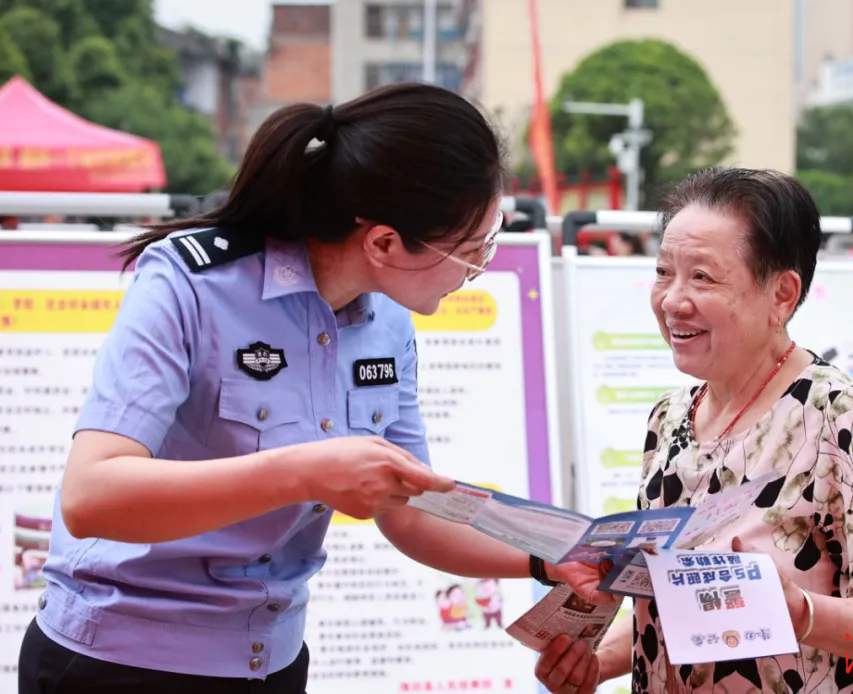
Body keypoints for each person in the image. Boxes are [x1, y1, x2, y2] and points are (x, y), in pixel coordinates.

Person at [18, 83, 609, 694]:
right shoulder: (189, 284)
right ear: (383, 243)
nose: (481, 268)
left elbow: (410, 513)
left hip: (269, 662)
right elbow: (92, 495)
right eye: (469, 249)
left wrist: (544, 557)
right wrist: (306, 472)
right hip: (123, 663)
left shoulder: (387, 321)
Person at [535, 167, 853, 694]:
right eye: (664, 273)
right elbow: (670, 610)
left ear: (782, 295)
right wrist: (596, 661)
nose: (672, 300)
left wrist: (800, 612)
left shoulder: (838, 417)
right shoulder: (668, 418)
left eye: (702, 277)